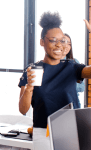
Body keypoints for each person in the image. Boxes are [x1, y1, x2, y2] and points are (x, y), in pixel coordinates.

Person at [18, 11, 91, 150]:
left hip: (70, 132)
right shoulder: (32, 69)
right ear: (42, 42)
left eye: (62, 40)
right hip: (43, 133)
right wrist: (29, 88)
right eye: (53, 40)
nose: (59, 45)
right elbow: (23, 109)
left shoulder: (72, 67)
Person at [61, 33, 85, 108]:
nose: (67, 46)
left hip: (74, 104)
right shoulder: (49, 64)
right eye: (64, 42)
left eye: (69, 44)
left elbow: (81, 87)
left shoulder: (75, 62)